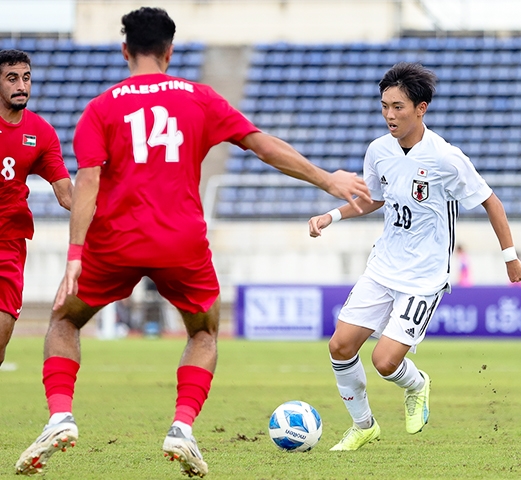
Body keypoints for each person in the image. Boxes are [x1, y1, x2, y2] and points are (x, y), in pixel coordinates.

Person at [15, 7, 370, 478]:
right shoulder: (198, 98)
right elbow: (259, 143)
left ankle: (60, 416)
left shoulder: (101, 107)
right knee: (203, 331)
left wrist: (75, 255)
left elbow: (88, 183)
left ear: (125, 51)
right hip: (180, 241)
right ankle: (181, 426)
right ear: (170, 51)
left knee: (65, 319)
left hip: (114, 240)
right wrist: (327, 179)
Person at [308, 62, 521, 451]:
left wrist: (510, 256)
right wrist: (333, 214)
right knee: (340, 346)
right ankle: (363, 426)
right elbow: (374, 198)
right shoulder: (378, 151)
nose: (389, 115)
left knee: (385, 361)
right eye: (384, 106)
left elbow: (491, 201)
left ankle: (418, 384)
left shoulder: (446, 158)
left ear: (421, 108)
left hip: (424, 276)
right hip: (383, 265)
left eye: (398, 107)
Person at [0, 49, 72, 368]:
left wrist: (110, 209)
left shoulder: (41, 133)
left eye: (26, 78)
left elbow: (67, 194)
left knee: (2, 333)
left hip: (9, 242)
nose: (21, 85)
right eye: (12, 78)